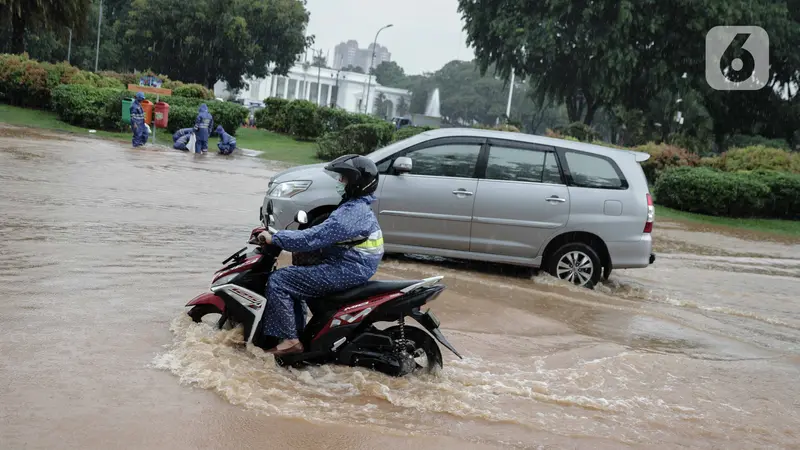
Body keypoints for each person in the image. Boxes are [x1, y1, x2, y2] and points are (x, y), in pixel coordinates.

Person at [255, 155, 383, 355]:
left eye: (345, 179)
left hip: (347, 269)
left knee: (280, 280)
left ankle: (291, 341)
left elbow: (313, 238)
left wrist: (276, 237)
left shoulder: (352, 212)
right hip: (352, 265)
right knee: (295, 277)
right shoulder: (355, 208)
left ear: (357, 183)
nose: (340, 183)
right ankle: (297, 330)